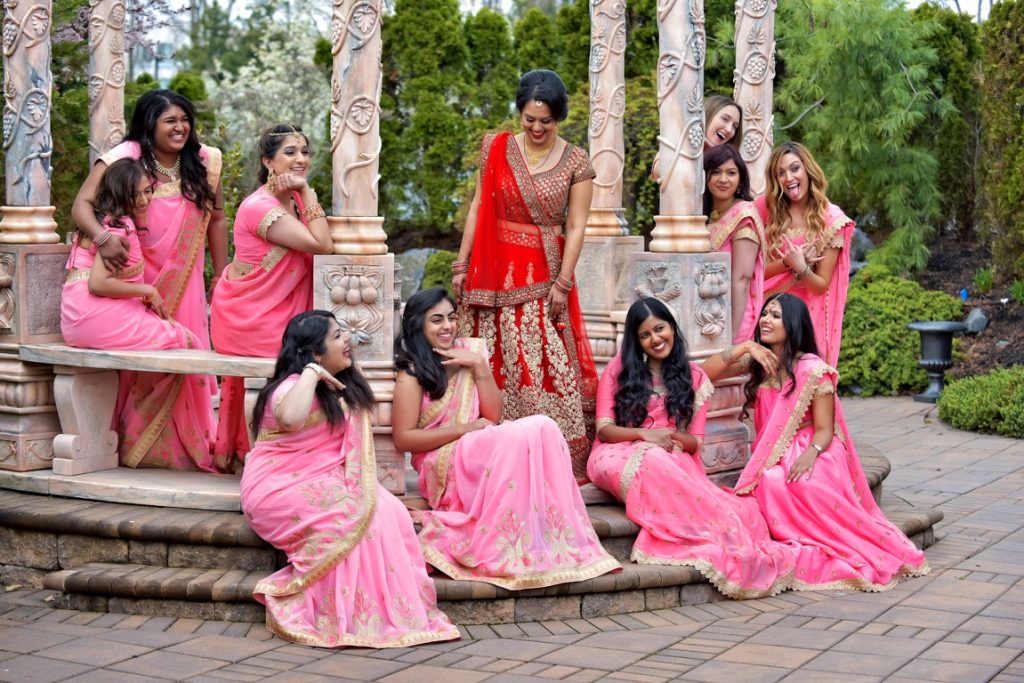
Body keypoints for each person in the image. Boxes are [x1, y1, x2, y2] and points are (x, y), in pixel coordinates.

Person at [240, 310, 460, 648]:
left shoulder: (340, 387)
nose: (349, 341)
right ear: (314, 352)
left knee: (389, 512)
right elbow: (290, 417)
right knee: (352, 514)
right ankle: (340, 615)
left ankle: (389, 613)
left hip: (323, 479)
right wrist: (311, 373)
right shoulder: (290, 387)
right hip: (277, 487)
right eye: (338, 336)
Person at [392, 288, 620, 589]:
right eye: (436, 320)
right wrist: (464, 430)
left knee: (543, 427)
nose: (447, 326)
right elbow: (404, 439)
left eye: (450, 317)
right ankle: (506, 545)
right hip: (441, 460)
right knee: (518, 435)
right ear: (417, 325)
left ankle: (551, 538)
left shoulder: (470, 353)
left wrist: (479, 365)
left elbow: (493, 414)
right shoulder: (411, 374)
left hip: (476, 446)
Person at [704, 294, 930, 590]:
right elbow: (703, 373)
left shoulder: (812, 370)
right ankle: (795, 533)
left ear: (793, 324)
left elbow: (825, 429)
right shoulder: (758, 362)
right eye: (765, 313)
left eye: (776, 316)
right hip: (773, 452)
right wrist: (746, 347)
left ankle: (825, 539)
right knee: (772, 479)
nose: (766, 320)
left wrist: (810, 454)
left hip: (814, 446)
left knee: (799, 482)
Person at [587, 297, 797, 598]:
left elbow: (695, 443)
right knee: (655, 459)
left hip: (672, 454)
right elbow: (605, 430)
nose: (655, 339)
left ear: (672, 327)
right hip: (615, 453)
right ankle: (710, 533)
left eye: (660, 329)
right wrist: (645, 436)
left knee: (722, 502)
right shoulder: (619, 371)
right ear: (636, 341)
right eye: (645, 335)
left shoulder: (694, 378)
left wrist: (669, 437)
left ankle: (723, 535)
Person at [451, 69, 598, 482]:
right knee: (492, 354)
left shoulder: (576, 161)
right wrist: (461, 264)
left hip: (544, 271)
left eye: (545, 121)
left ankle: (547, 457)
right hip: (492, 272)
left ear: (559, 118)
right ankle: (489, 454)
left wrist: (563, 282)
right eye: (529, 119)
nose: (536, 128)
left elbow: (578, 226)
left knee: (541, 359)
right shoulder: (495, 148)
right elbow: (479, 207)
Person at [71, 89, 225, 470]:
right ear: (149, 124)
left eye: (184, 119)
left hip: (184, 277)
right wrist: (104, 240)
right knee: (139, 361)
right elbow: (81, 205)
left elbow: (217, 219)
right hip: (128, 273)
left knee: (185, 354)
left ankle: (186, 452)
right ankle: (133, 446)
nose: (180, 127)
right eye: (169, 120)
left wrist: (221, 274)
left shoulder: (205, 162)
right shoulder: (126, 158)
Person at [210, 123, 333, 465]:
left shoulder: (291, 200)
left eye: (305, 152)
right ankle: (274, 453)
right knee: (313, 351)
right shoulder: (260, 207)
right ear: (268, 162)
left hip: (276, 311)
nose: (301, 159)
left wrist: (303, 195)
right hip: (250, 316)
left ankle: (303, 448)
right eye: (290, 153)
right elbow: (321, 244)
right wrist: (308, 193)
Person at [61, 159, 190, 350]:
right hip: (94, 318)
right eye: (133, 194)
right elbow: (97, 283)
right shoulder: (119, 226)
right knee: (183, 338)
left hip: (72, 321)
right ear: (118, 193)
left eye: (147, 191)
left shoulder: (99, 221)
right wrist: (149, 291)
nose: (143, 201)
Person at [755, 142, 854, 366]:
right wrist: (788, 264)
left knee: (802, 382)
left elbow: (821, 285)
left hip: (805, 318)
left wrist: (802, 269)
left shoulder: (831, 219)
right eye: (780, 173)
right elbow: (753, 273)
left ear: (807, 170)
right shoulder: (766, 209)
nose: (788, 177)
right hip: (767, 314)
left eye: (794, 168)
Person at [703, 144, 765, 342]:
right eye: (716, 172)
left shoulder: (744, 214)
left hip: (734, 317)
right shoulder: (702, 216)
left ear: (740, 180)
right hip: (705, 314)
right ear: (705, 177)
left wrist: (731, 334)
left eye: (731, 173)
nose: (723, 179)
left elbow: (743, 279)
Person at [651, 94, 744, 181]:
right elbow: (659, 171)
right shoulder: (681, 141)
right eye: (725, 119)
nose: (729, 129)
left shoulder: (731, 160)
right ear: (708, 115)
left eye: (734, 127)